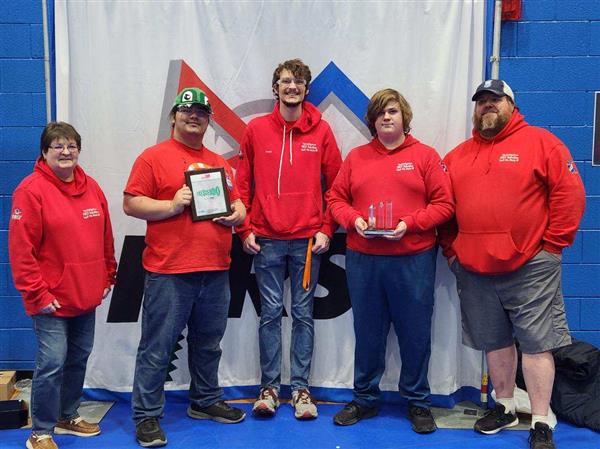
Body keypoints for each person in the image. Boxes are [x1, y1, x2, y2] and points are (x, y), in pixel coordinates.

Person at [439, 79, 585, 449]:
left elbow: (570, 194)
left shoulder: (542, 143)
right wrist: (452, 251)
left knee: (537, 344)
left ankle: (540, 419)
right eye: (482, 102)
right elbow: (444, 209)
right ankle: (504, 405)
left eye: (495, 100)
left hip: (531, 266)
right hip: (474, 269)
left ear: (512, 106)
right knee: (495, 341)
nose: (488, 106)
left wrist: (553, 247)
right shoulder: (457, 156)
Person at [124, 87, 247, 447]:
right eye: (187, 111)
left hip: (215, 269)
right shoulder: (152, 157)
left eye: (201, 113)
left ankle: (205, 401)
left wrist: (235, 216)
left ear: (208, 120)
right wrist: (171, 205)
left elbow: (239, 206)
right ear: (174, 116)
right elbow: (131, 203)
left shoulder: (219, 162)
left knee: (209, 344)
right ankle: (146, 416)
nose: (194, 116)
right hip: (169, 271)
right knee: (157, 347)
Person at [328, 88, 454, 432]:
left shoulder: (426, 156)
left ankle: (417, 401)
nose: (386, 117)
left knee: (415, 332)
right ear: (372, 121)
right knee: (367, 331)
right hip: (364, 259)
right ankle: (365, 399)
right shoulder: (355, 158)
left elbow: (444, 205)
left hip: (412, 259)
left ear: (404, 118)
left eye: (393, 112)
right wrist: (352, 219)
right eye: (381, 113)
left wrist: (409, 224)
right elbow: (335, 198)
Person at [235, 58, 342, 420]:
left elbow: (337, 187)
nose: (291, 86)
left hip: (307, 242)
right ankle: (268, 388)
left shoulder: (322, 132)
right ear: (275, 88)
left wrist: (327, 228)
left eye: (297, 81)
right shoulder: (256, 130)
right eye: (284, 81)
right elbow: (242, 184)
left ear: (307, 89)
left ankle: (299, 389)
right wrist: (244, 228)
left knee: (303, 315)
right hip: (264, 238)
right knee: (268, 315)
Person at [8, 122, 117, 449]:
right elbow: (20, 250)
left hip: (86, 296)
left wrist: (107, 275)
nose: (66, 152)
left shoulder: (92, 187)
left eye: (71, 145)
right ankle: (40, 432)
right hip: (50, 302)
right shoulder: (30, 191)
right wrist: (37, 294)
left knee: (78, 358)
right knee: (52, 364)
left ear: (78, 150)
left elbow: (105, 237)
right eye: (58, 146)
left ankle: (67, 415)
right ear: (45, 152)